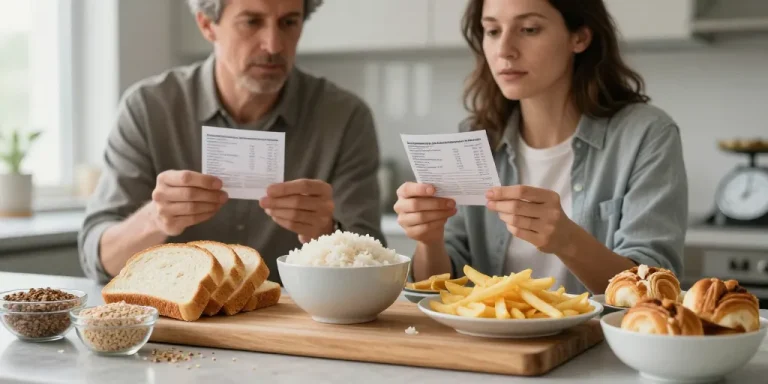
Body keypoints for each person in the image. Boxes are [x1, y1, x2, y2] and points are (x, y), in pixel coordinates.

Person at [78, 0, 385, 285]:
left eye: (289, 22)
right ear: (207, 25)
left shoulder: (345, 118)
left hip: (293, 329)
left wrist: (327, 232)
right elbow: (99, 261)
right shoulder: (148, 109)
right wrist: (154, 218)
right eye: (252, 21)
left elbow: (377, 271)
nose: (273, 45)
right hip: (175, 328)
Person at [394, 0, 687, 294]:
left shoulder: (647, 135)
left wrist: (567, 240)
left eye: (529, 29)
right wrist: (429, 240)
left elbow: (656, 291)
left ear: (580, 37)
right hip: (486, 341)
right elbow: (441, 289)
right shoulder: (474, 138)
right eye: (493, 31)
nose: (504, 49)